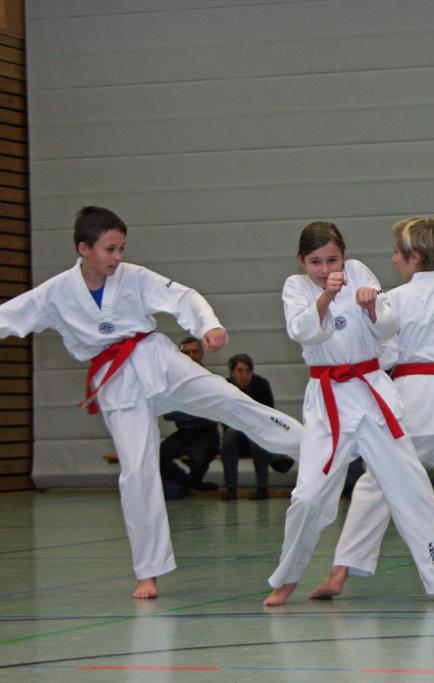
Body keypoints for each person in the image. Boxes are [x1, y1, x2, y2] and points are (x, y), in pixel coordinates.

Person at [0, 206, 303, 599]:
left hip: (155, 359)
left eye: (121, 248)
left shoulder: (134, 277)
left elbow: (182, 297)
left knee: (228, 398)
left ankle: (312, 446)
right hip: (115, 381)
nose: (118, 257)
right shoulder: (55, 292)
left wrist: (208, 325)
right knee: (137, 471)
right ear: (84, 249)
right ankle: (148, 572)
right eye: (109, 249)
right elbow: (9, 316)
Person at [263, 220, 434, 607]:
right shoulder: (295, 287)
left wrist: (372, 307)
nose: (326, 269)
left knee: (411, 486)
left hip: (371, 395)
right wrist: (326, 297)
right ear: (301, 262)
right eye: (316, 262)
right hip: (328, 402)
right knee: (308, 495)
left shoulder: (360, 273)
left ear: (344, 256)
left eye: (333, 260)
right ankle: (288, 577)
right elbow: (302, 331)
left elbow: (389, 328)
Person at [316, 216, 434, 599]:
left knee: (376, 483)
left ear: (414, 256)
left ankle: (339, 572)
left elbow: (385, 356)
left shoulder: (395, 299)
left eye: (397, 253)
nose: (393, 259)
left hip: (409, 401)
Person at [220, 353, 295, 501]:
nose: (245, 375)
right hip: (235, 433)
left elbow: (269, 414)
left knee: (256, 436)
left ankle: (262, 488)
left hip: (258, 431)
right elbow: (223, 416)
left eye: (248, 371)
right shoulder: (225, 387)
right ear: (232, 372)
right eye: (240, 371)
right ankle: (231, 488)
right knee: (229, 436)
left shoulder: (261, 384)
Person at [158, 336, 221, 496]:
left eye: (195, 352)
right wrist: (195, 410)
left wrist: (185, 410)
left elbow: (214, 411)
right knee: (158, 455)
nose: (191, 356)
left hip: (206, 432)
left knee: (200, 459)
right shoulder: (173, 382)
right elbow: (168, 413)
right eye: (187, 353)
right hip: (184, 432)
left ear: (201, 353)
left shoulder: (211, 379)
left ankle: (192, 483)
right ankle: (185, 481)